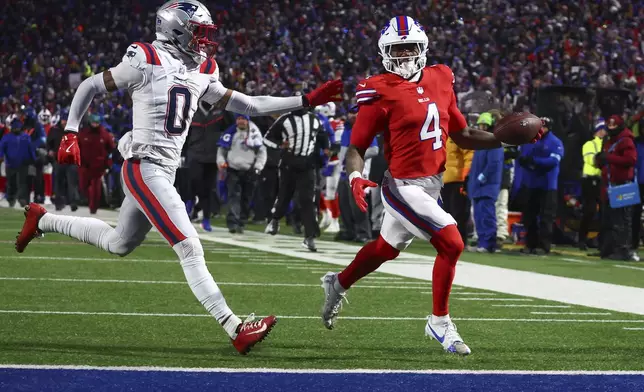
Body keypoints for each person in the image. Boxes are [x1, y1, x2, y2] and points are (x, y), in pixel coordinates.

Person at [15, 0, 342, 355]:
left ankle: (43, 219)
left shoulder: (204, 68)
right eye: (199, 33)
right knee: (189, 245)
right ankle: (235, 327)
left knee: (119, 243)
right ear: (176, 29)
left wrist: (304, 100)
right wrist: (70, 131)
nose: (205, 41)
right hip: (144, 165)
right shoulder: (144, 58)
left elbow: (250, 104)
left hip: (162, 171)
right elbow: (89, 87)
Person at [319, 16, 541, 356]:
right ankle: (439, 321)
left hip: (432, 182)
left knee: (385, 249)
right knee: (452, 242)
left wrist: (506, 140)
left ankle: (338, 283)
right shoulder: (378, 90)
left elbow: (463, 135)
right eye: (398, 49)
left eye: (410, 47)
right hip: (401, 184)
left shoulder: (441, 77)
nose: (405, 54)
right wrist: (354, 175)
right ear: (385, 52)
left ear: (423, 48)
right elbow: (357, 148)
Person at [264, 108, 330, 252]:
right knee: (284, 196)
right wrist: (280, 145)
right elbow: (268, 139)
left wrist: (326, 148)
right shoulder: (284, 119)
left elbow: (323, 136)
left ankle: (310, 237)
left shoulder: (314, 119)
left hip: (308, 165)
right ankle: (275, 220)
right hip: (289, 163)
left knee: (307, 200)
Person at [185, 102, 236, 231]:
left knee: (207, 189)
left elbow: (232, 128)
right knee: (193, 182)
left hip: (213, 155)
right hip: (194, 153)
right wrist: (182, 152)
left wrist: (225, 145)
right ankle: (190, 205)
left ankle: (206, 218)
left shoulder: (222, 111)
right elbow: (184, 133)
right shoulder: (192, 110)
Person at [517, 117, 563, 255]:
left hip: (548, 185)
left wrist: (534, 161)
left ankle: (543, 246)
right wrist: (522, 159)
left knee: (546, 217)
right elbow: (522, 156)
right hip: (531, 183)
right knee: (529, 216)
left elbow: (554, 161)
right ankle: (530, 244)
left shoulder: (555, 142)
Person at [595, 115, 638, 261]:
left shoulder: (626, 140)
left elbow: (631, 159)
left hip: (623, 185)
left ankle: (623, 250)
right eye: (609, 125)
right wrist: (600, 161)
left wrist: (608, 158)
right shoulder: (609, 141)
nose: (611, 128)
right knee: (608, 219)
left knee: (621, 220)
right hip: (610, 184)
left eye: (614, 126)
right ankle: (608, 249)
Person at [217, 114, 266, 233]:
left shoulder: (255, 135)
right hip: (233, 168)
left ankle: (242, 222)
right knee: (233, 196)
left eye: (243, 119)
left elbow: (262, 153)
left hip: (249, 170)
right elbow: (222, 150)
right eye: (238, 119)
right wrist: (221, 162)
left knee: (246, 198)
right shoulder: (231, 133)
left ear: (247, 120)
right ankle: (233, 222)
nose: (241, 121)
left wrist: (258, 167)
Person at [467, 112, 504, 253]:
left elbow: (493, 163)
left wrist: (482, 177)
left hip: (487, 186)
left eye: (483, 125)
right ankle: (482, 242)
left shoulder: (493, 142)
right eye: (480, 125)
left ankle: (489, 244)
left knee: (487, 216)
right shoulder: (481, 142)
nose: (481, 127)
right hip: (478, 186)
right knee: (478, 216)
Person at [78, 114, 116, 214]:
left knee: (96, 188)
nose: (95, 124)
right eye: (93, 122)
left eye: (97, 123)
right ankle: (88, 199)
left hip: (98, 167)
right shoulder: (83, 133)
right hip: (85, 165)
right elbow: (78, 146)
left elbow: (111, 149)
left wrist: (108, 163)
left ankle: (93, 208)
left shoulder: (104, 134)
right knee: (83, 186)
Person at [578, 119, 606, 250]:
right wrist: (602, 160)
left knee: (605, 212)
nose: (604, 132)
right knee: (589, 211)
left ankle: (600, 240)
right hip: (590, 180)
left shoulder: (607, 144)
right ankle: (582, 239)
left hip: (602, 180)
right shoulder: (589, 144)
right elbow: (590, 159)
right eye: (602, 129)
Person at [47, 108, 80, 211]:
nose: (65, 122)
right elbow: (49, 143)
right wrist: (50, 151)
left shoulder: (75, 130)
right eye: (64, 120)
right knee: (58, 182)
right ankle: (59, 203)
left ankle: (73, 203)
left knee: (72, 183)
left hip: (71, 161)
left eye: (67, 120)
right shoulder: (54, 130)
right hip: (59, 160)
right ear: (61, 120)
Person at [0, 119, 36, 207]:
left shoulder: (26, 137)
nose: (17, 129)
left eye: (18, 127)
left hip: (23, 164)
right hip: (10, 164)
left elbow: (30, 149)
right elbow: (1, 148)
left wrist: (33, 159)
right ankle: (11, 199)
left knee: (22, 182)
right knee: (11, 182)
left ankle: (22, 199)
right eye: (15, 127)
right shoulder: (7, 137)